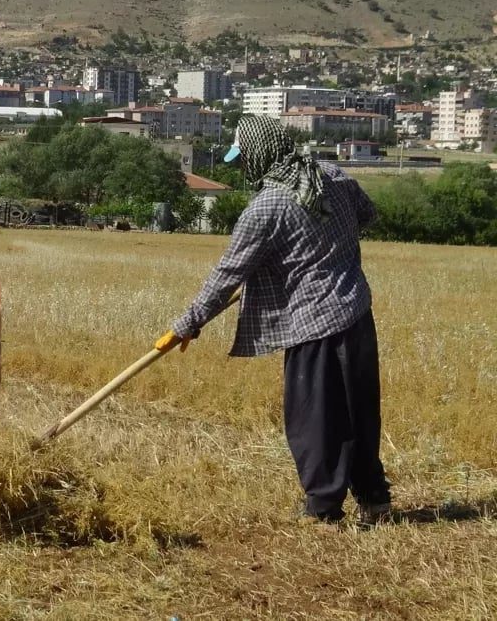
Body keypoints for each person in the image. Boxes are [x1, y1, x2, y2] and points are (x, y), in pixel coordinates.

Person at [157, 116, 392, 527]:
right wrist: (326, 243)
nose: (242, 166)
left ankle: (323, 509)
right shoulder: (334, 176)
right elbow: (367, 215)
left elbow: (226, 275)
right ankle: (374, 500)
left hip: (312, 324)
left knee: (314, 420)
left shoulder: (266, 207)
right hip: (357, 312)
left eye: (244, 157)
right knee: (360, 412)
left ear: (260, 154)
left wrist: (187, 323)